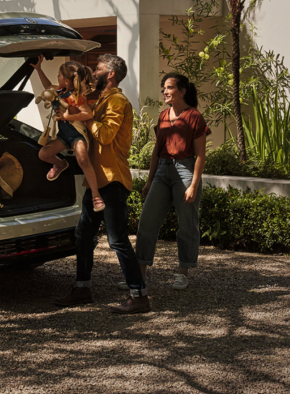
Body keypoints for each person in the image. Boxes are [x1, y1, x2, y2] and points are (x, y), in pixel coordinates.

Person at [53, 54, 150, 314]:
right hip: (98, 180)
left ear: (111, 74)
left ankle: (139, 296)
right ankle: (82, 288)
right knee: (83, 236)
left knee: (117, 240)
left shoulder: (117, 101)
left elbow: (105, 135)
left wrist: (84, 119)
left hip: (113, 180)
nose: (93, 72)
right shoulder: (101, 99)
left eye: (98, 68)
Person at [122, 73, 210, 291]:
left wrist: (193, 185)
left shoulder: (194, 117)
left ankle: (183, 272)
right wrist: (149, 181)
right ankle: (138, 275)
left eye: (169, 87)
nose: (165, 92)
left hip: (186, 169)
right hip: (162, 170)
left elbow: (200, 155)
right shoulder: (162, 117)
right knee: (146, 223)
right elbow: (155, 151)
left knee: (187, 224)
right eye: (164, 88)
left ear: (182, 91)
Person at [31, 57, 105, 212]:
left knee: (83, 160)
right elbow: (47, 86)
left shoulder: (76, 97)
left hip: (77, 134)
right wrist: (38, 69)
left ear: (66, 80)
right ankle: (61, 164)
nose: (57, 78)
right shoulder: (59, 91)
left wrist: (67, 117)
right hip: (64, 135)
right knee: (43, 154)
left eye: (59, 75)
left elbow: (88, 114)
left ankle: (96, 196)